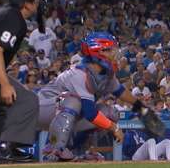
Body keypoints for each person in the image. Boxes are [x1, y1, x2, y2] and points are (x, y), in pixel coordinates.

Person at [36, 32, 148, 161]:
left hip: (64, 110)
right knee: (74, 102)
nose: (115, 54)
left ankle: (74, 151)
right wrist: (114, 127)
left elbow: (120, 91)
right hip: (42, 108)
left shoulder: (105, 73)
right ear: (97, 52)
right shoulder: (79, 73)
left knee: (109, 113)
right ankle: (54, 150)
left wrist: (142, 107)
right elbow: (90, 113)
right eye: (110, 50)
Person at [0, 0, 45, 163]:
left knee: (1, 108)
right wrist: (4, 84)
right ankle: (6, 147)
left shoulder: (2, 14)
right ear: (26, 3)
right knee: (27, 100)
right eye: (36, 0)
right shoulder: (14, 18)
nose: (38, 4)